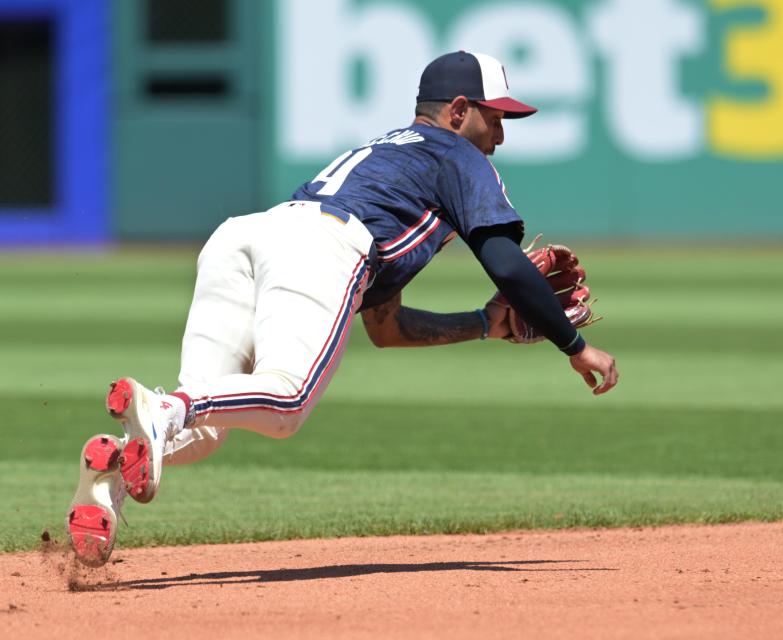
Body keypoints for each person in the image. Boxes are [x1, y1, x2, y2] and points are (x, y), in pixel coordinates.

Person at [66, 51, 619, 566]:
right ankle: (165, 409)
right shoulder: (457, 154)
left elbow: (387, 327)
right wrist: (576, 348)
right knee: (286, 401)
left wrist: (485, 324)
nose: (499, 134)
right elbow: (506, 263)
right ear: (458, 112)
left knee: (206, 430)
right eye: (494, 117)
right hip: (322, 244)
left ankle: (108, 470)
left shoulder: (393, 161)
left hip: (246, 236)